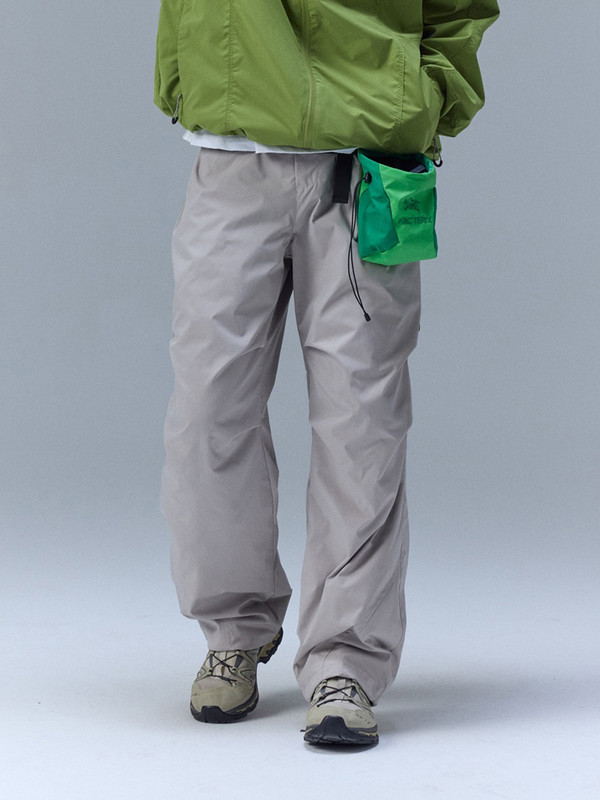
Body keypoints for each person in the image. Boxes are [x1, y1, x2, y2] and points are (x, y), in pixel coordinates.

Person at [154, 0, 499, 747]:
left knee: (361, 420)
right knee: (207, 409)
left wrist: (424, 97)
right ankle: (234, 630)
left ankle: (346, 658)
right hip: (233, 156)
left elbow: (462, 6)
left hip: (367, 161)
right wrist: (186, 80)